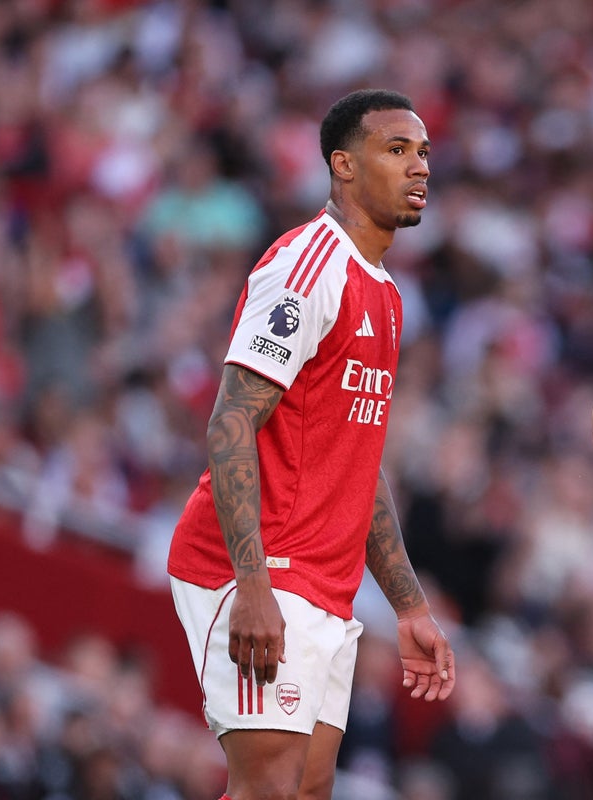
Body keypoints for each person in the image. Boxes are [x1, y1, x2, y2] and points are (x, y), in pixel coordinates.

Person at [166, 88, 456, 800]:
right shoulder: (309, 266)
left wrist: (409, 606)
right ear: (343, 165)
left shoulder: (386, 294)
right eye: (396, 149)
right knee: (268, 787)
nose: (419, 165)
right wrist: (253, 585)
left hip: (325, 586)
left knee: (307, 790)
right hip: (262, 570)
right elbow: (230, 422)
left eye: (423, 152)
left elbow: (358, 465)